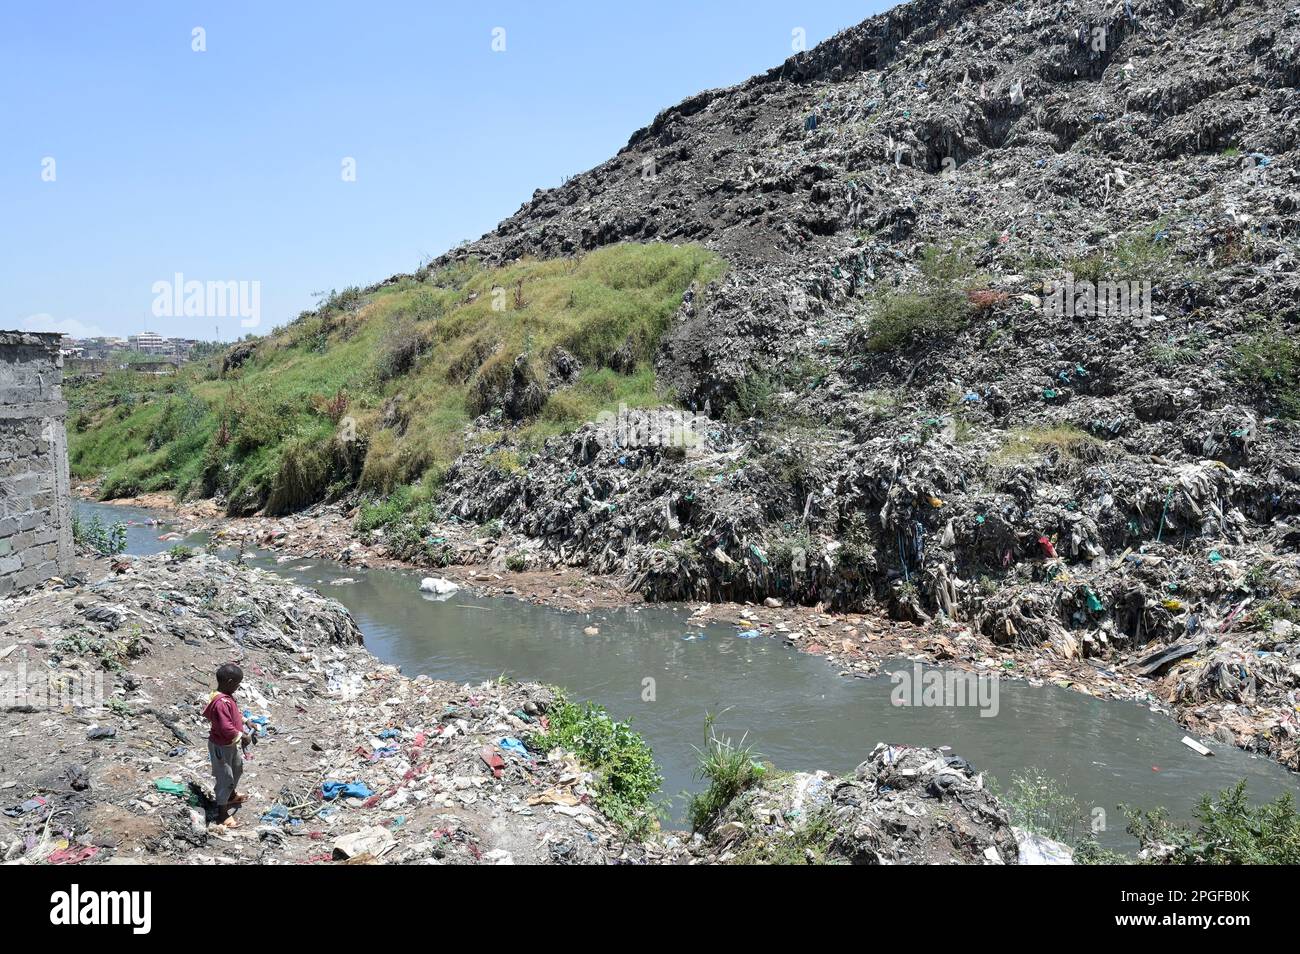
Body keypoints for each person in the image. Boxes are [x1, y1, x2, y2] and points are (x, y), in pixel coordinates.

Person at [201, 662, 250, 826]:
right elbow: (226, 727)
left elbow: (234, 715)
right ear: (229, 682)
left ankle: (230, 796)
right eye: (237, 683)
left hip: (229, 745)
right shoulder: (221, 702)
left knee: (237, 768)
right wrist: (242, 736)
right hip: (221, 747)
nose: (238, 686)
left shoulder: (227, 698)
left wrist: (246, 721)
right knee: (225, 778)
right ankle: (221, 814)